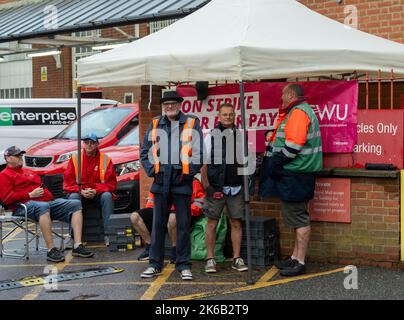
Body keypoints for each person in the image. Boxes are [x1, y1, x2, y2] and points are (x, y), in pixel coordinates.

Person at [259, 84, 323, 277]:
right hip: (297, 173)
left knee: (299, 218)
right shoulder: (299, 111)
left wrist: (276, 163)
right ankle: (295, 257)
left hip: (296, 173)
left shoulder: (298, 113)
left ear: (290, 95)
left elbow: (293, 146)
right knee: (295, 217)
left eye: (283, 95)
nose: (281, 98)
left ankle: (300, 261)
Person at [140, 90, 203, 281]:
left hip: (181, 183)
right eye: (166, 104)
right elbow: (145, 152)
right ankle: (154, 264)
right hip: (160, 183)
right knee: (158, 226)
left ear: (180, 105)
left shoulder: (192, 123)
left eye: (173, 103)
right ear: (163, 107)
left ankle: (183, 265)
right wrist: (153, 171)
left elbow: (200, 153)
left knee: (183, 226)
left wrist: (187, 173)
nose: (169, 107)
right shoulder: (155, 123)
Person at [0, 146, 94, 262]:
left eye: (21, 155)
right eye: (17, 156)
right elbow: (6, 198)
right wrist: (29, 195)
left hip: (44, 202)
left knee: (75, 204)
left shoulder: (29, 172)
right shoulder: (4, 175)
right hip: (22, 206)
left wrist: (48, 196)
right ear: (8, 158)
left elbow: (43, 188)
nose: (21, 158)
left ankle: (77, 246)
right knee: (43, 207)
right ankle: (51, 250)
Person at [201, 103, 249, 274]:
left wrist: (246, 185)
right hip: (216, 188)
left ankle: (236, 259)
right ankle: (210, 259)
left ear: (234, 115)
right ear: (219, 116)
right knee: (212, 222)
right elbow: (203, 165)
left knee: (236, 222)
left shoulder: (241, 135)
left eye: (231, 114)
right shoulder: (210, 136)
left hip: (236, 188)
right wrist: (208, 188)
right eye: (225, 114)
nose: (228, 117)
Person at [131, 177, 205, 262]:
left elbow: (199, 204)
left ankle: (176, 250)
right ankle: (151, 248)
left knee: (172, 218)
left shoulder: (192, 181)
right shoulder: (159, 180)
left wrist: (185, 212)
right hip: (163, 212)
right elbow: (151, 203)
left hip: (183, 214)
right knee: (135, 217)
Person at [63, 133, 117, 246]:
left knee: (107, 196)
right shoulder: (74, 159)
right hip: (80, 194)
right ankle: (71, 236)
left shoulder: (106, 159)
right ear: (83, 144)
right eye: (86, 142)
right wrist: (81, 191)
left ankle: (108, 235)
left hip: (98, 194)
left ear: (97, 144)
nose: (89, 145)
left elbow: (112, 184)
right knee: (73, 197)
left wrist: (96, 190)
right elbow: (67, 184)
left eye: (92, 143)